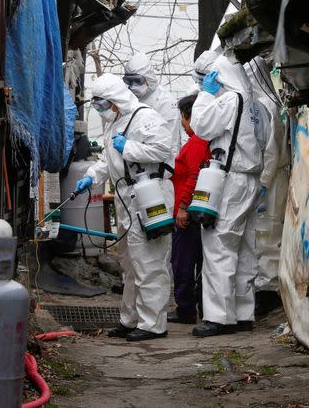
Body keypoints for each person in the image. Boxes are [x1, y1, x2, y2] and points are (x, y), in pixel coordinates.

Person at [75, 73, 174, 341]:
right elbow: (108, 161)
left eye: (102, 103)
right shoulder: (114, 122)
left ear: (116, 100)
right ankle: (129, 320)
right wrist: (92, 177)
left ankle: (153, 325)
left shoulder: (146, 117)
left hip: (149, 194)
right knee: (130, 263)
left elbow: (163, 150)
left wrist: (129, 147)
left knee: (149, 261)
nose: (99, 109)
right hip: (126, 197)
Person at [190, 56, 267, 337]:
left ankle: (219, 318)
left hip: (230, 179)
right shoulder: (256, 105)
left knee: (219, 245)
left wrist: (204, 95)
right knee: (245, 248)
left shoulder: (229, 100)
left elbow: (201, 126)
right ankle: (243, 313)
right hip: (252, 179)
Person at [244, 56, 290, 316]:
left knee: (268, 234)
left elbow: (272, 151)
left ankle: (269, 290)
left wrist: (263, 183)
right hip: (267, 177)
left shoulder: (267, 106)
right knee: (262, 234)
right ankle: (263, 286)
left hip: (272, 178)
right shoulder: (262, 104)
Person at [168, 95, 210, 324]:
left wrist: (183, 207)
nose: (183, 125)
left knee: (183, 262)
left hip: (188, 212)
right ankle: (200, 308)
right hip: (198, 210)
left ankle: (186, 309)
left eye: (183, 119)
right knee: (200, 262)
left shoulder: (196, 143)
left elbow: (194, 176)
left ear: (191, 117)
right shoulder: (204, 142)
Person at [123, 52, 182, 153]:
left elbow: (169, 142)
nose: (132, 86)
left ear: (148, 78)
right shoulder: (132, 99)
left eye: (137, 81)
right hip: (136, 156)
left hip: (162, 163)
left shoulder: (165, 101)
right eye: (129, 81)